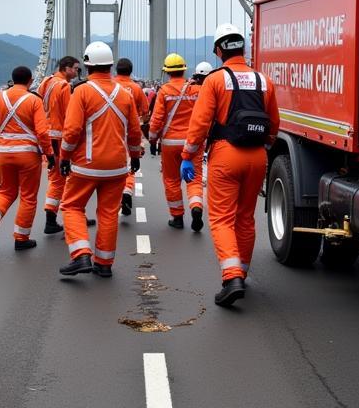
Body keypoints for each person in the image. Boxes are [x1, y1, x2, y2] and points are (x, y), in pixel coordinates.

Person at [182, 22, 279, 306]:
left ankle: (232, 276)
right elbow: (274, 124)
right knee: (245, 217)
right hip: (257, 156)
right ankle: (243, 273)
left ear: (218, 50)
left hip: (226, 153)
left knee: (222, 218)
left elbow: (200, 124)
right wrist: (264, 147)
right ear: (243, 48)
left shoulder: (214, 80)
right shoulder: (264, 80)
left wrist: (187, 156)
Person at [57, 42, 142, 278]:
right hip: (117, 167)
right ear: (110, 66)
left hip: (86, 165)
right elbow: (135, 132)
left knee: (72, 206)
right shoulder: (125, 94)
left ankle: (81, 254)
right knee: (108, 213)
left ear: (86, 66)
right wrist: (134, 157)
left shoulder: (81, 91)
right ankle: (104, 264)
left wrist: (64, 156)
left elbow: (72, 130)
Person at [0, 66, 52, 252]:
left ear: (12, 78)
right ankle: (21, 238)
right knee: (28, 197)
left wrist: (0, 142)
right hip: (28, 155)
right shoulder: (34, 101)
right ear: (30, 81)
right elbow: (42, 132)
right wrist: (49, 153)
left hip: (3, 155)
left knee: (4, 191)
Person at [149, 53, 203, 231]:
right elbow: (204, 116)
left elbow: (157, 119)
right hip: (192, 142)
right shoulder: (196, 90)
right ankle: (196, 207)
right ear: (183, 69)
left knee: (171, 180)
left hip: (170, 143)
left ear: (167, 71)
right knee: (193, 179)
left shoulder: (164, 91)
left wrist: (152, 139)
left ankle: (177, 217)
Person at [36, 55, 80, 234]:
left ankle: (62, 215)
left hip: (46, 135)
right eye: (76, 69)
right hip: (58, 137)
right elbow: (71, 115)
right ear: (66, 67)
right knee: (59, 179)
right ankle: (53, 219)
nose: (78, 72)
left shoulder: (46, 82)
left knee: (57, 177)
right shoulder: (64, 87)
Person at [114, 57, 148, 217]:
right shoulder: (136, 88)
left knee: (114, 166)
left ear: (116, 70)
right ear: (131, 70)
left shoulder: (110, 86)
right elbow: (145, 110)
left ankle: (117, 195)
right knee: (130, 166)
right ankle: (127, 191)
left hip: (112, 132)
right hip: (131, 131)